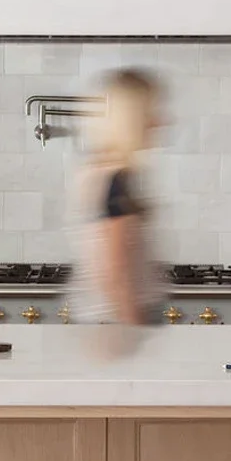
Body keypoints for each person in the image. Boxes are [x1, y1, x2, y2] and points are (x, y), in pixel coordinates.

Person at [70, 67, 161, 326]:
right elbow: (116, 274)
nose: (158, 122)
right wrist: (136, 330)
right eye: (149, 112)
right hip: (116, 326)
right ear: (132, 119)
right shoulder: (116, 180)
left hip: (105, 325)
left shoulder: (99, 169)